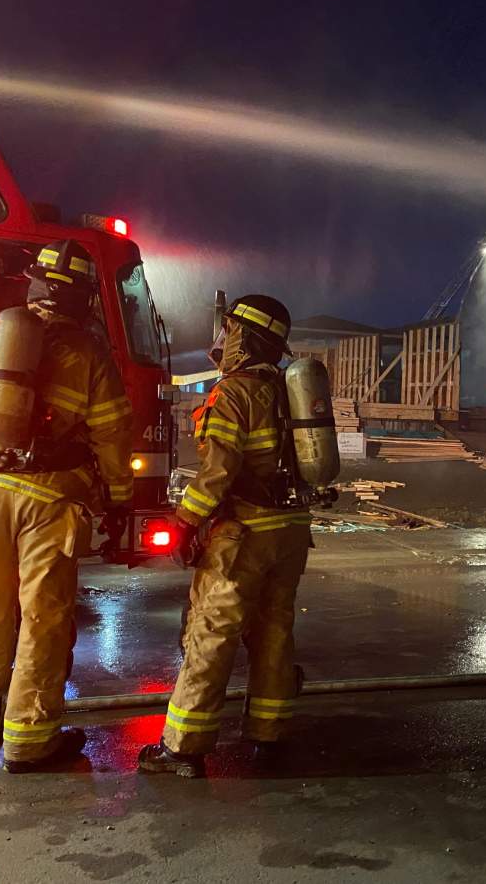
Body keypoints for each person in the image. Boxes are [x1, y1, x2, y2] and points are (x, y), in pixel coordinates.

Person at [0, 239, 134, 774]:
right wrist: (118, 499)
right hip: (49, 497)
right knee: (43, 616)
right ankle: (29, 737)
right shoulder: (88, 354)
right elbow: (113, 434)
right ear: (85, 299)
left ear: (36, 285)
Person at [138, 294, 312, 779]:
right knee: (275, 631)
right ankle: (269, 735)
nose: (223, 338)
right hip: (291, 531)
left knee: (212, 634)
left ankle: (183, 749)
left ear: (244, 336)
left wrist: (185, 523)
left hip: (245, 534)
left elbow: (216, 472)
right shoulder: (287, 390)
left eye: (230, 329)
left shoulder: (234, 393)